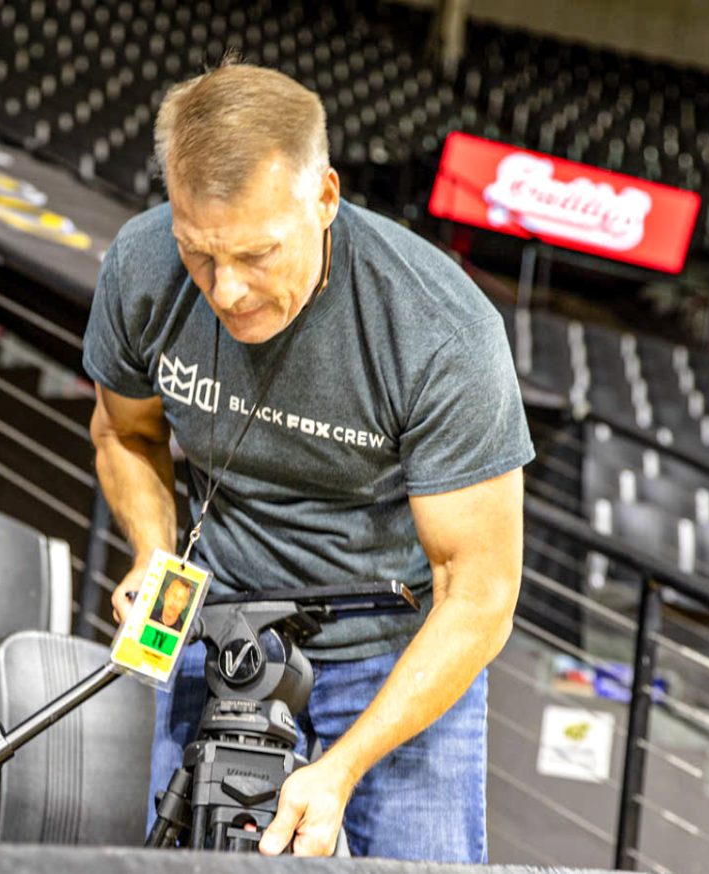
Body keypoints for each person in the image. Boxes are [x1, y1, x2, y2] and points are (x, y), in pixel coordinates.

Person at [82, 60, 532, 862]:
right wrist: (155, 552)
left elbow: (482, 594)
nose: (226, 292)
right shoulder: (142, 267)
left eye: (257, 254)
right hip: (224, 627)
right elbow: (126, 434)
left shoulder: (439, 332)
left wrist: (342, 766)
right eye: (200, 253)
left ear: (324, 198)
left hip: (394, 649)